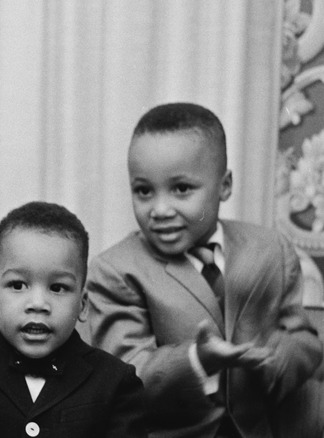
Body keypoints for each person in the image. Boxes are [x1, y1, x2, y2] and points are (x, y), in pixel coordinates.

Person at [86, 102, 324, 437]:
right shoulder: (115, 270)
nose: (160, 209)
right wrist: (198, 360)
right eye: (143, 191)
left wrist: (279, 356)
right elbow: (125, 378)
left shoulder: (270, 249)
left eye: (181, 189)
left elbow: (306, 339)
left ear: (224, 185)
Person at [0, 201, 147, 438]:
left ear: (83, 304)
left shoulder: (114, 382)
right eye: (18, 285)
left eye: (58, 287)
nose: (38, 304)